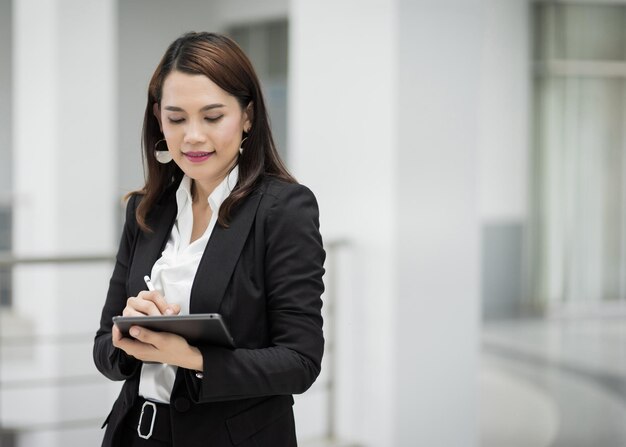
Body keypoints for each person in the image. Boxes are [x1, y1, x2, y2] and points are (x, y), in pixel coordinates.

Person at [93, 31, 325, 447]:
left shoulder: (283, 210)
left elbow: (300, 362)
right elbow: (104, 354)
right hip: (135, 433)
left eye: (213, 117)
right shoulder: (147, 209)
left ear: (247, 117)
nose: (193, 136)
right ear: (158, 119)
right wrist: (130, 335)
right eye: (177, 118)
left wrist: (187, 357)